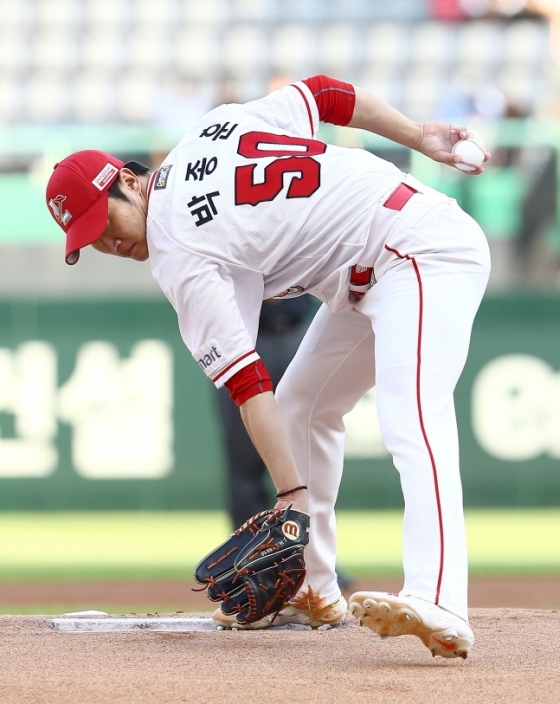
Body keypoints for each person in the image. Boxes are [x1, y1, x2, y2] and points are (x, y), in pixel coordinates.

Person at [45, 74, 491, 659]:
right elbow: (325, 94)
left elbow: (246, 381)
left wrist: (291, 494)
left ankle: (440, 596)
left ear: (128, 180)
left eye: (105, 222)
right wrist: (417, 134)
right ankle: (316, 587)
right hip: (372, 271)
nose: (108, 243)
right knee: (303, 406)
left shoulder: (177, 249)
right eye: (91, 239)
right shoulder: (209, 130)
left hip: (421, 248)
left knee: (411, 412)